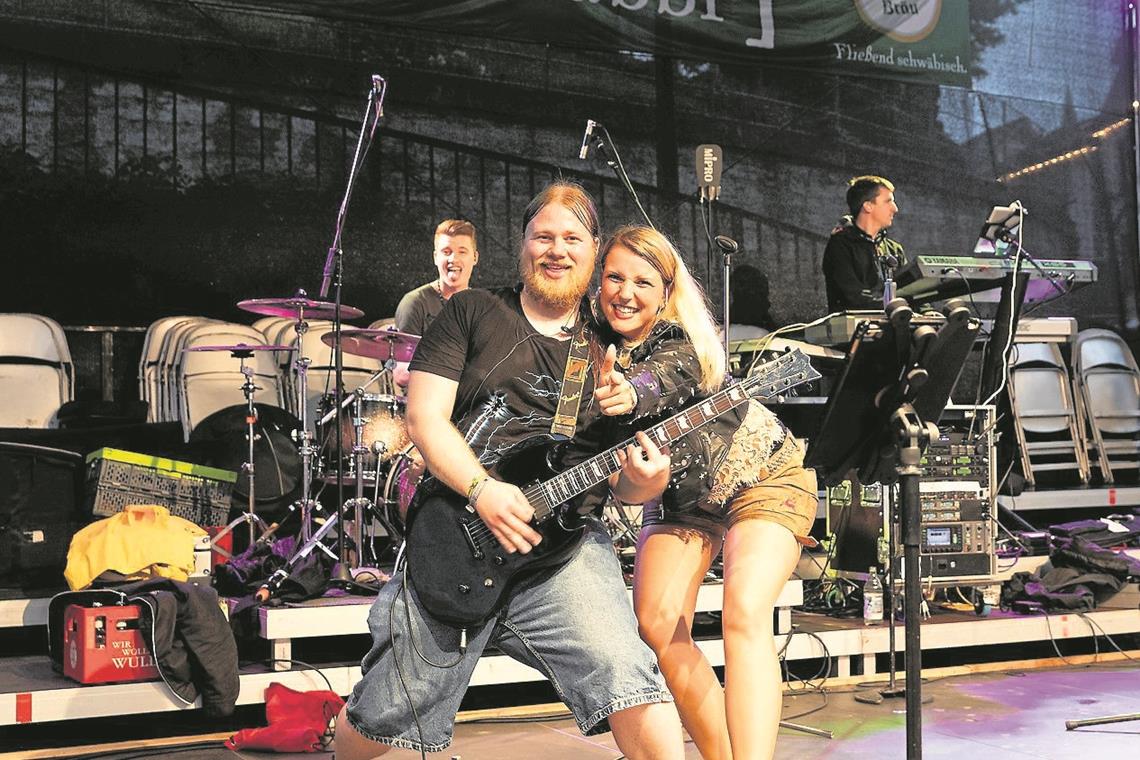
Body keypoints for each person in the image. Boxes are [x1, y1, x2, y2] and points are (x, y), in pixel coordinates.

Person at [334, 185, 685, 759]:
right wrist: (482, 489)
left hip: (563, 550)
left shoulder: (612, 342)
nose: (557, 250)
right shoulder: (472, 311)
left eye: (572, 238)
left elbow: (623, 480)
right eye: (544, 237)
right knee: (387, 707)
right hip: (456, 535)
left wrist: (645, 483)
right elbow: (424, 417)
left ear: (594, 249)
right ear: (522, 244)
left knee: (626, 673)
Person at [592, 224, 819, 760]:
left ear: (665, 293)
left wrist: (628, 390)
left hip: (763, 475)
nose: (626, 293)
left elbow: (659, 380)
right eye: (615, 278)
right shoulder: (590, 347)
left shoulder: (683, 341)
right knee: (657, 625)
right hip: (683, 497)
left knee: (743, 612)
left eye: (642, 282)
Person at [392, 219, 480, 388]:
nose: (453, 259)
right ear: (435, 257)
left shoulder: (483, 306)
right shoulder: (415, 302)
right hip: (427, 399)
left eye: (462, 252)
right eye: (446, 252)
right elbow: (401, 373)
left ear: (475, 257)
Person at [821, 174, 907, 312]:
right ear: (868, 206)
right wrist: (898, 305)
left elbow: (909, 288)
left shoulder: (894, 249)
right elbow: (853, 297)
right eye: (888, 201)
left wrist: (926, 310)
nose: (895, 208)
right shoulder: (841, 246)